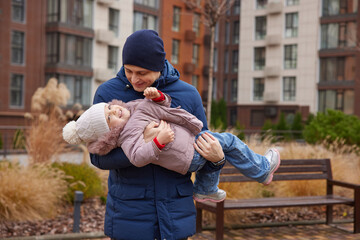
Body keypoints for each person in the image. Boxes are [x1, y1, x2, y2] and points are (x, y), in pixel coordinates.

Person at [86, 29, 225, 240]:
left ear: (159, 66)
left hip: (176, 213)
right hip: (129, 215)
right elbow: (97, 156)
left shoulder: (187, 94)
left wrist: (217, 160)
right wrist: (145, 146)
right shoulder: (108, 95)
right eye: (128, 70)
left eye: (141, 73)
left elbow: (202, 148)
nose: (134, 79)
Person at [63, 87, 280, 203]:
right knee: (230, 141)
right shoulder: (127, 137)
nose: (114, 112)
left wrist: (157, 96)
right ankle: (261, 169)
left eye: (109, 108)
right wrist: (158, 141)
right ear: (110, 134)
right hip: (186, 154)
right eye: (110, 119)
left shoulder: (133, 107)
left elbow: (163, 106)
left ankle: (205, 190)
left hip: (189, 144)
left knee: (219, 149)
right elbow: (138, 157)